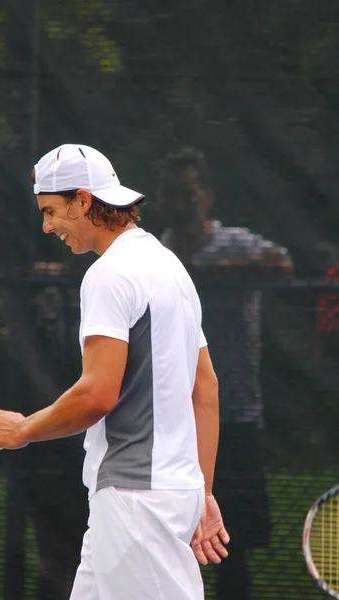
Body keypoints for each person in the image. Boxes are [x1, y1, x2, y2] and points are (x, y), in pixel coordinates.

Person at [0, 143, 230, 600]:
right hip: (164, 494)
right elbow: (206, 389)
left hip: (137, 504)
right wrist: (203, 493)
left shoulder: (109, 275)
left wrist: (24, 429)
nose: (47, 225)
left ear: (82, 199)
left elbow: (97, 394)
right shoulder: (169, 266)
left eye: (51, 211)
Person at [157, 147, 293, 600]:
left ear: (207, 196)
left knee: (230, 544)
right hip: (168, 419)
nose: (182, 202)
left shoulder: (234, 243)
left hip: (234, 415)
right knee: (164, 540)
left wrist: (212, 272)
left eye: (190, 192)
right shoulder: (156, 253)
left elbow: (281, 264)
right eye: (173, 194)